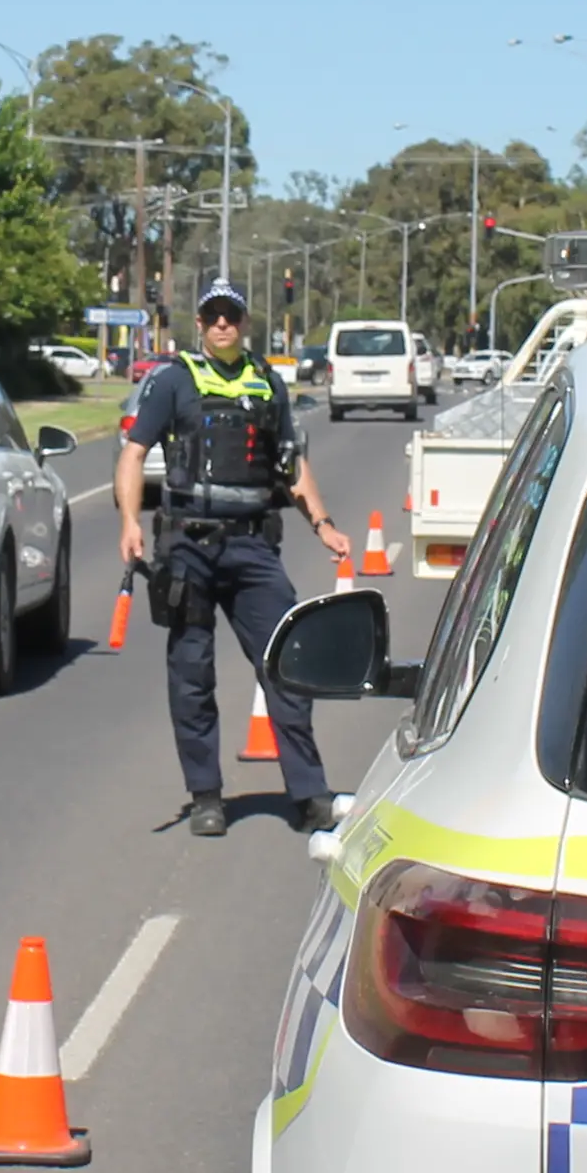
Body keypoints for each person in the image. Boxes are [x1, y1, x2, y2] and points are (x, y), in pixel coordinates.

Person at [115, 277, 353, 835]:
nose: (222, 324)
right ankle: (206, 797)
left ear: (244, 323)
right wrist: (129, 521)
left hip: (252, 546)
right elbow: (133, 454)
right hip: (188, 547)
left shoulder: (267, 383)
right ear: (199, 323)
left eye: (231, 315)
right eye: (213, 316)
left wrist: (323, 525)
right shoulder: (172, 380)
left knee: (286, 663)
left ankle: (310, 795)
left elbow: (292, 466)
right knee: (192, 674)